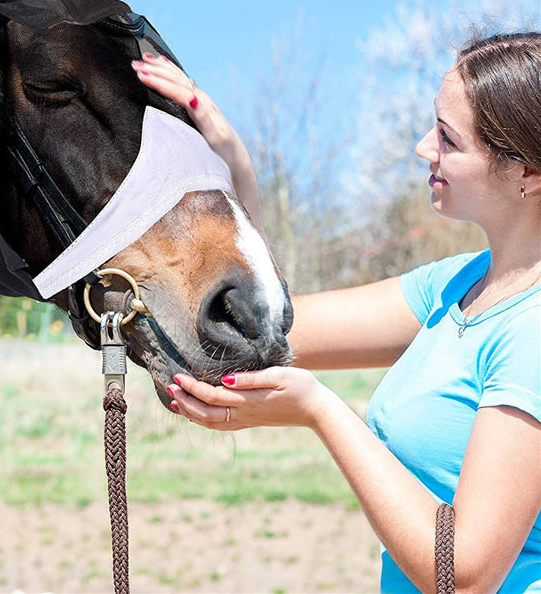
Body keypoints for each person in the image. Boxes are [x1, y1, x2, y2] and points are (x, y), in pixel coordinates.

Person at [131, 32, 541, 593]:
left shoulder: (532, 331)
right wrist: (230, 156)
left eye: (448, 139)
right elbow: (269, 328)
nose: (424, 148)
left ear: (528, 174)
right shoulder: (459, 284)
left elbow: (463, 577)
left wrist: (321, 411)